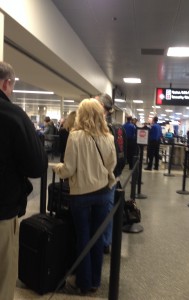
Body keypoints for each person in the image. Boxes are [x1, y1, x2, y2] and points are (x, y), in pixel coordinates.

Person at [53, 98, 116, 295]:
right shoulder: (108, 137)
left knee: (83, 237)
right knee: (97, 238)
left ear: (81, 114)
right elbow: (111, 165)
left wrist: (57, 169)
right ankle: (95, 282)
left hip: (80, 195)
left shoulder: (75, 136)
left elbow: (69, 168)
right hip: (103, 193)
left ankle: (84, 282)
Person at [0, 61, 48, 300]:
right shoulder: (12, 115)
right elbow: (37, 165)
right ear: (7, 83)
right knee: (3, 278)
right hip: (2, 211)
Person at [95, 93, 126, 254]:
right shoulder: (118, 126)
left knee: (105, 209)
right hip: (116, 171)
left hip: (106, 175)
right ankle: (106, 240)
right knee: (109, 207)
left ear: (102, 107)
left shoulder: (102, 127)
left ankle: (104, 242)